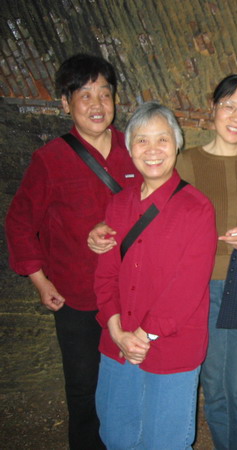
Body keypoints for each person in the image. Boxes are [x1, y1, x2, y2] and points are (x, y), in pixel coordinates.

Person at [88, 74, 237, 450]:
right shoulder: (185, 163)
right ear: (214, 107)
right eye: (229, 106)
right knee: (212, 388)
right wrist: (99, 230)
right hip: (200, 289)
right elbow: (135, 222)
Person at [5, 53, 139, 449]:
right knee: (84, 388)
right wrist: (40, 281)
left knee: (131, 381)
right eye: (85, 95)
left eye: (105, 94)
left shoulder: (136, 149)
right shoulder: (50, 159)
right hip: (78, 297)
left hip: (132, 292)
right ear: (66, 103)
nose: (98, 104)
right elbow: (20, 221)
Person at [94, 102, 217, 448]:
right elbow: (105, 275)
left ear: (177, 144)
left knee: (164, 440)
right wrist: (117, 330)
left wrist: (143, 334)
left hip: (172, 346)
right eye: (142, 140)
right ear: (130, 148)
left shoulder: (197, 208)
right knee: (116, 435)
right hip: (117, 343)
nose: (152, 150)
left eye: (162, 139)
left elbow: (187, 287)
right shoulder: (118, 205)